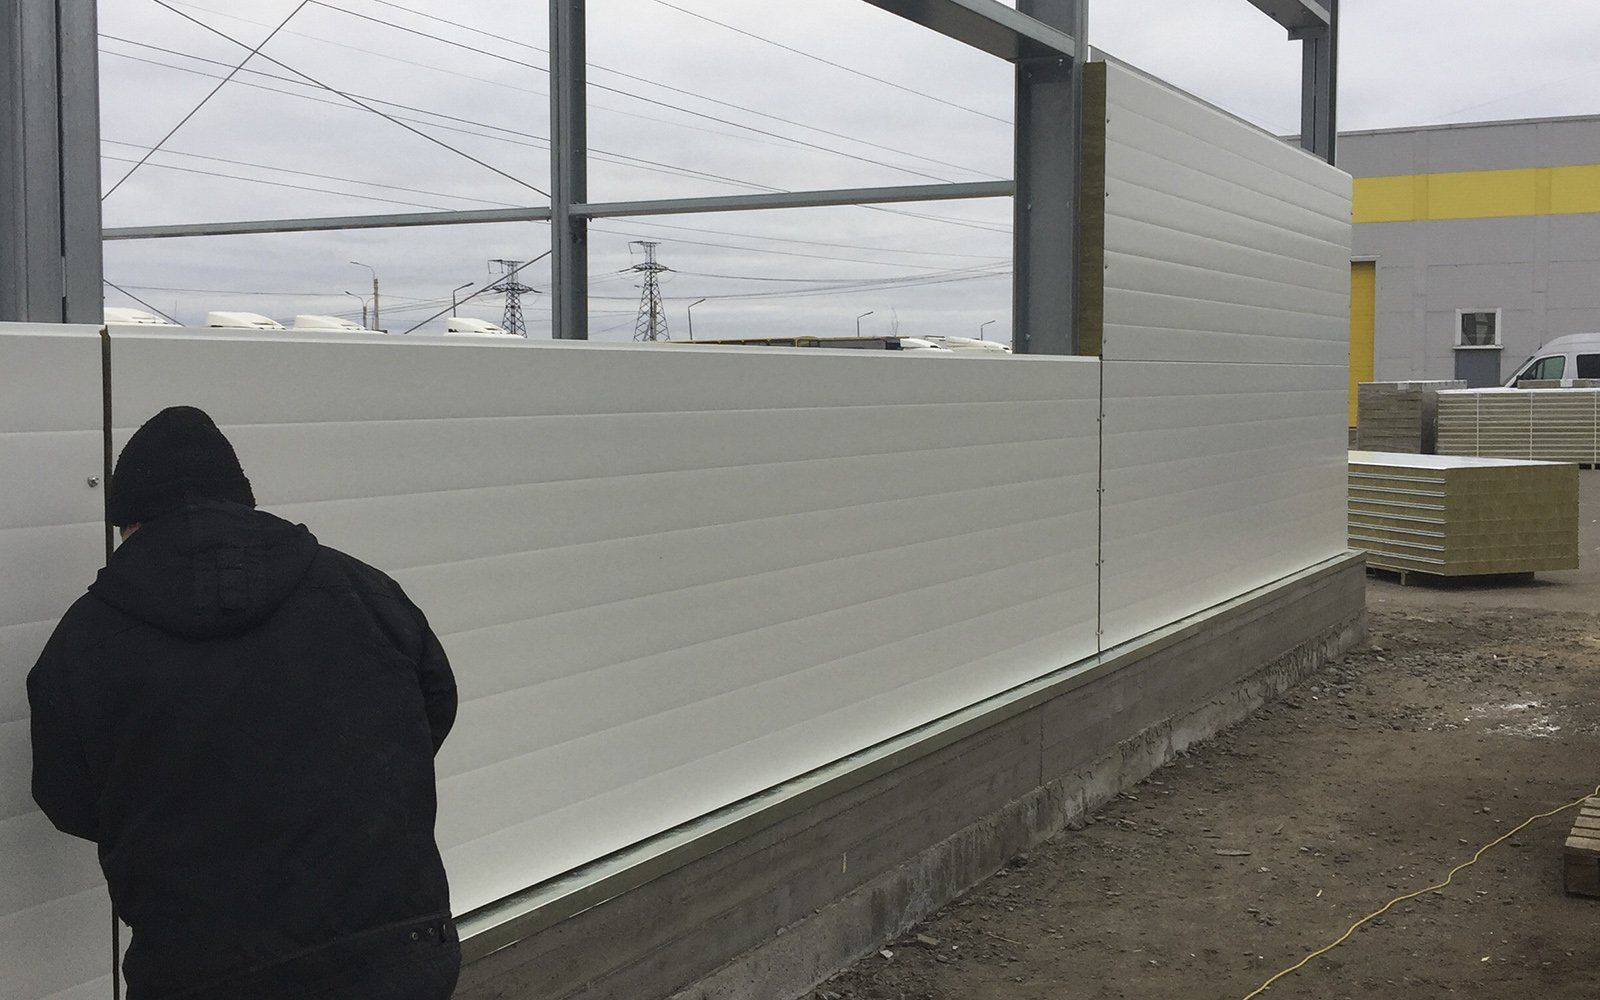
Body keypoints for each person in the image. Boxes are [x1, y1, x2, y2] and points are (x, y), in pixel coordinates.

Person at [28, 406, 460, 1000]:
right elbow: (434, 706)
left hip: (202, 971)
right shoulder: (364, 590)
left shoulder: (83, 641)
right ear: (241, 501)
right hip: (396, 953)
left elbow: (66, 796)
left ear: (130, 524)